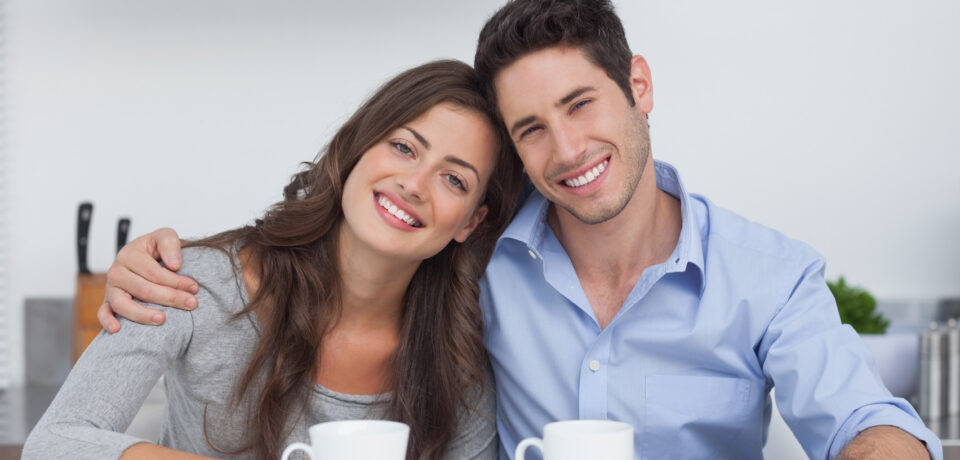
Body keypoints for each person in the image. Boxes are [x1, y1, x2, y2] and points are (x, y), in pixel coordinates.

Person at [95, 1, 942, 459]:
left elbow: (863, 419)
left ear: (638, 86)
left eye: (582, 105)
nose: (567, 150)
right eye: (531, 127)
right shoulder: (472, 253)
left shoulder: (769, 275)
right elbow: (352, 241)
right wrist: (173, 263)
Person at [23, 60, 525, 460]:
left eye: (453, 179)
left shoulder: (458, 364)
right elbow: (56, 442)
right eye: (402, 147)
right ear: (356, 147)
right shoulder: (193, 282)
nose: (414, 185)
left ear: (469, 223)